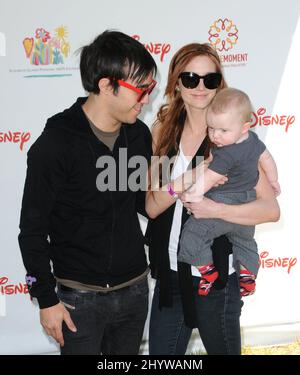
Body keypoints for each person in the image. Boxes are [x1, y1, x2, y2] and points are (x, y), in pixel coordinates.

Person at [18, 30, 157, 355]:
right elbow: (32, 231)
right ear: (107, 85)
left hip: (135, 292)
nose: (147, 100)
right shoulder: (56, 144)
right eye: (142, 90)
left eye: (150, 89)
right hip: (77, 301)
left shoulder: (138, 136)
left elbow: (142, 203)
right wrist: (46, 300)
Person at [145, 43, 280, 355]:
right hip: (171, 278)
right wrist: (188, 177)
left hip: (217, 281)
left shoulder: (233, 140)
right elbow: (152, 207)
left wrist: (214, 209)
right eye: (191, 79)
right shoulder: (162, 132)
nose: (201, 87)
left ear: (221, 82)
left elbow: (270, 209)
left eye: (211, 79)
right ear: (176, 83)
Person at [178, 87, 280, 297]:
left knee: (192, 235)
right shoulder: (253, 140)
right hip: (247, 206)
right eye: (211, 129)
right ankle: (248, 274)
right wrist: (273, 180)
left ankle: (207, 271)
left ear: (244, 127)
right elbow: (267, 159)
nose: (215, 136)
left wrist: (192, 195)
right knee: (245, 241)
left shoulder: (226, 153)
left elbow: (210, 178)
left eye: (223, 131)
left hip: (223, 202)